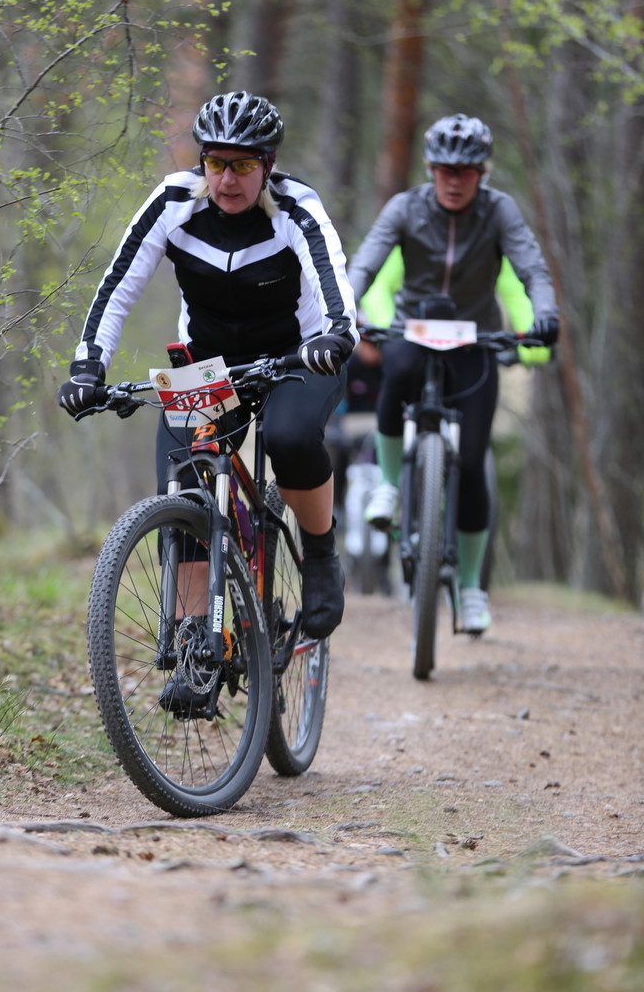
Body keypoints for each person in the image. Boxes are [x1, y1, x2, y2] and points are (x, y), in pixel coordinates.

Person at [58, 89, 358, 662]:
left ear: (267, 166)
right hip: (209, 363)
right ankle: (198, 643)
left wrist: (336, 335)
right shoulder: (173, 203)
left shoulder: (297, 207)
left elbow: (334, 284)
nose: (227, 179)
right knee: (185, 478)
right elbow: (117, 288)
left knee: (293, 439)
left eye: (243, 165)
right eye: (216, 163)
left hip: (297, 356)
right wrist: (88, 364)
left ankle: (319, 552)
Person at [347, 113, 559, 634]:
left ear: (482, 172)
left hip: (474, 339)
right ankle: (392, 488)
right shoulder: (405, 207)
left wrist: (545, 314)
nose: (455, 180)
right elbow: (364, 263)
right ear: (430, 167)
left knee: (471, 463)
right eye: (445, 169)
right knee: (395, 377)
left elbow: (531, 268)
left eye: (466, 171)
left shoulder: (499, 211)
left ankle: (470, 588)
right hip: (412, 330)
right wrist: (348, 307)